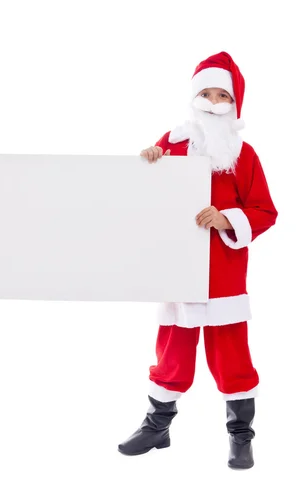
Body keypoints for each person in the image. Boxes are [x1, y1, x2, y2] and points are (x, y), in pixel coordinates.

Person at [117, 52, 277, 469]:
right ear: (194, 98)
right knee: (172, 347)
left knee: (231, 354)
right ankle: (157, 426)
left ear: (233, 105)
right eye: (204, 93)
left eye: (221, 94)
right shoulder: (172, 141)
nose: (211, 101)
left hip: (223, 271)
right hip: (177, 265)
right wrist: (150, 160)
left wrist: (227, 218)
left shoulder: (243, 154)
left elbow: (265, 211)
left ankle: (241, 436)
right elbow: (146, 195)